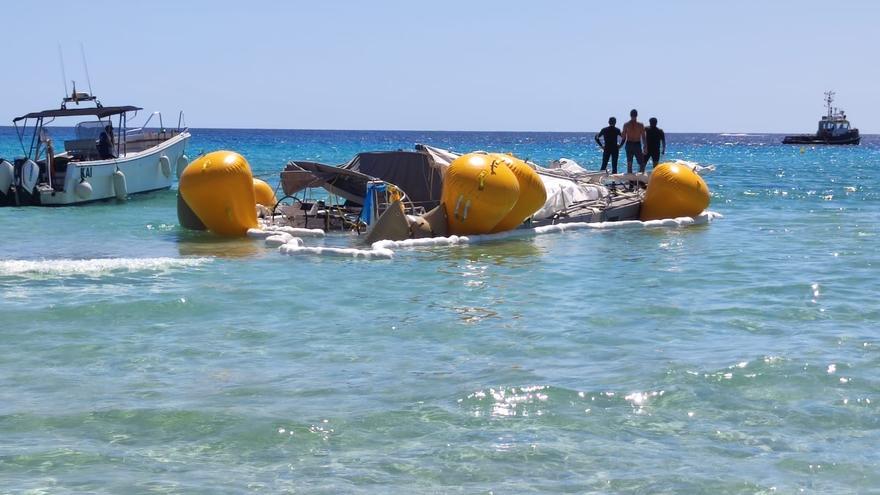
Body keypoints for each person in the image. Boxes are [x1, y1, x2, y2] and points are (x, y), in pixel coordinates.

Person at [621, 109, 646, 173]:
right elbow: (643, 137)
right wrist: (645, 146)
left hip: (629, 144)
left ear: (630, 115)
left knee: (630, 163)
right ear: (637, 115)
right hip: (636, 144)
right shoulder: (640, 125)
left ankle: (630, 181)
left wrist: (620, 145)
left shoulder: (626, 125)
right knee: (641, 163)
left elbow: (623, 137)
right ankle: (641, 180)